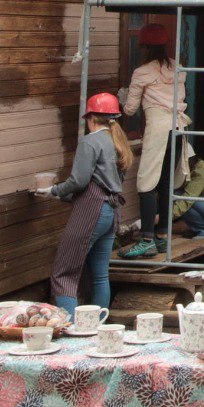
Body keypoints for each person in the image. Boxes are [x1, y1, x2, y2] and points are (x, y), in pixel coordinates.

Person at [37, 93, 131, 317]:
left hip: (92, 209)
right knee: (100, 275)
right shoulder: (118, 142)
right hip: (111, 210)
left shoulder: (89, 142)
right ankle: (98, 326)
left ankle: (67, 327)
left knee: (64, 273)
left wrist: (54, 191)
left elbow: (79, 181)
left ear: (90, 118)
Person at [120, 24, 192, 259]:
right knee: (164, 184)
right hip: (179, 129)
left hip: (159, 129)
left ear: (144, 47)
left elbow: (130, 110)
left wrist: (122, 97)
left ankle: (147, 239)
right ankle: (162, 236)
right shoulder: (178, 68)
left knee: (146, 184)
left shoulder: (142, 72)